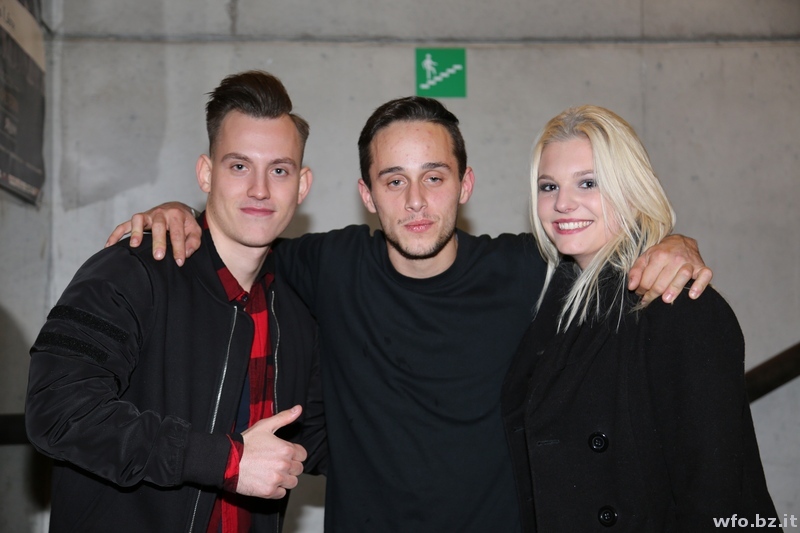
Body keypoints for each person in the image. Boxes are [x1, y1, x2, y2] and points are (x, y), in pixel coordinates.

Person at [106, 97, 712, 532]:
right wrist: (179, 213)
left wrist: (673, 244)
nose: (416, 201)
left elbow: (609, 251)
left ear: (465, 185)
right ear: (367, 195)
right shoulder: (329, 265)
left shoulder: (531, 270)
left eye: (434, 177)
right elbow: (239, 238)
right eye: (394, 181)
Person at [25, 70, 326, 533]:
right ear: (206, 173)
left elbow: (320, 438)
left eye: (279, 170)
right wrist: (224, 460)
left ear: (302, 185)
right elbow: (57, 411)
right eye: (239, 166)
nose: (260, 189)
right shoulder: (132, 271)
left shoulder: (294, 309)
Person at [501, 105, 778, 531]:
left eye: (588, 183)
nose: (563, 203)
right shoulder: (553, 301)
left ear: (631, 191)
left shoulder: (678, 305)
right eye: (548, 186)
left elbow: (720, 493)